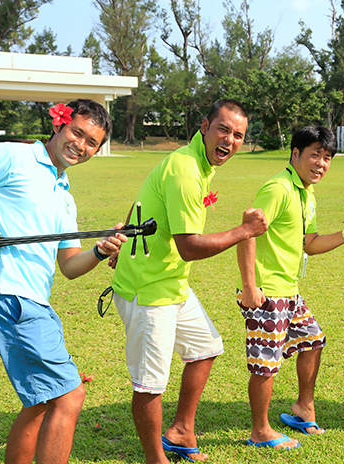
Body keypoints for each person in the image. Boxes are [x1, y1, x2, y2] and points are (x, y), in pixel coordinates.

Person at [0, 99, 127, 464]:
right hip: (7, 299)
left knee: (39, 402)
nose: (80, 145)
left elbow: (68, 266)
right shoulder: (12, 157)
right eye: (77, 133)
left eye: (91, 142)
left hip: (34, 304)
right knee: (69, 397)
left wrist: (100, 251)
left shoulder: (65, 197)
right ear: (59, 125)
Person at [110, 99, 268, 463]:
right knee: (151, 384)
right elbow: (190, 247)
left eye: (238, 135)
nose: (230, 139)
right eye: (223, 129)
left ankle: (181, 430)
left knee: (205, 348)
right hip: (149, 289)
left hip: (170, 284)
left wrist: (126, 239)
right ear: (205, 126)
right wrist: (244, 231)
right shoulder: (185, 170)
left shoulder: (196, 162)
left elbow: (145, 205)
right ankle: (156, 458)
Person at [236, 125, 344, 449]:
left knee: (313, 340)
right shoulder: (278, 188)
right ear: (295, 154)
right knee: (266, 365)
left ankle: (303, 408)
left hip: (289, 291)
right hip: (268, 293)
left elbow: (310, 243)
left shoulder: (306, 193)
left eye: (327, 157)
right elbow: (247, 232)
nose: (321, 163)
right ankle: (261, 431)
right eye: (315, 154)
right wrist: (250, 288)